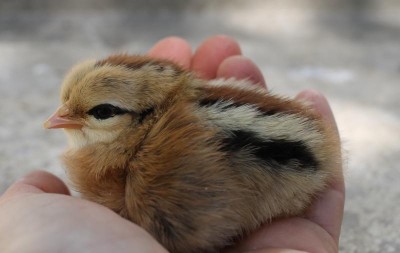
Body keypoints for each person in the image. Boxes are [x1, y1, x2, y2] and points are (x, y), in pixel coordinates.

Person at [0, 35, 344, 253]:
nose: (61, 117)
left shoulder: (146, 172)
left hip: (293, 169)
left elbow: (181, 230)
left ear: (142, 116)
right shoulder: (181, 103)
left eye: (101, 112)